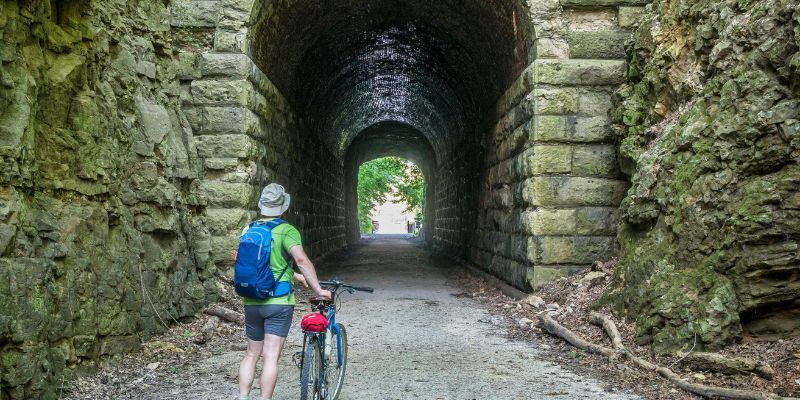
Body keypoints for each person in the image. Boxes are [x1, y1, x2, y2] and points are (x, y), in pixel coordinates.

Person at [237, 183, 331, 400]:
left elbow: (260, 264)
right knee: (270, 356)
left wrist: (294, 276)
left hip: (251, 300)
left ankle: (242, 397)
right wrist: (318, 289)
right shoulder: (286, 230)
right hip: (278, 301)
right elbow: (300, 259)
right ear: (283, 207)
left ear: (262, 205)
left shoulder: (248, 229)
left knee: (251, 353)